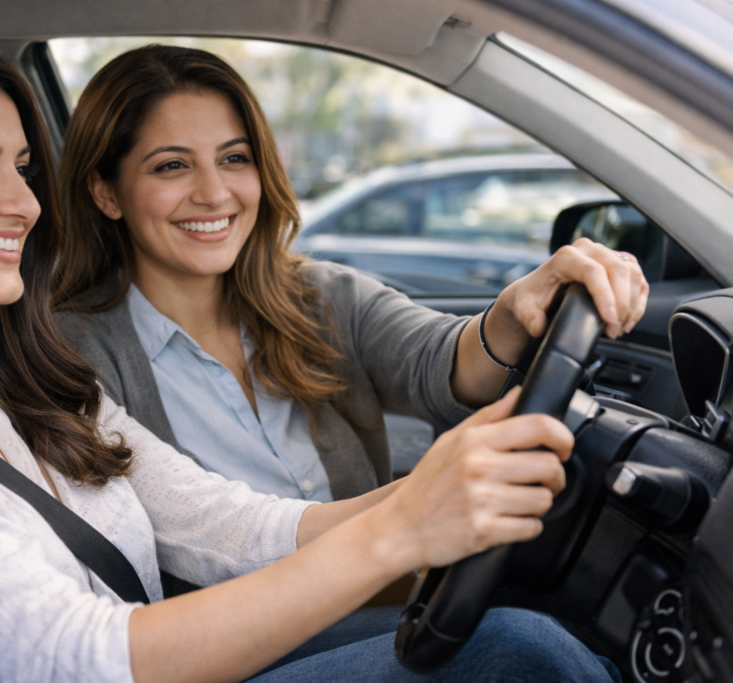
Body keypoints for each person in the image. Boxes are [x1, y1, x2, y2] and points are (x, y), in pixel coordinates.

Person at [0, 23, 622, 683]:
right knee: (520, 654)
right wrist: (399, 529)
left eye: (21, 167)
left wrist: (435, 494)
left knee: (520, 626)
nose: (24, 204)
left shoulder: (17, 382)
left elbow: (227, 524)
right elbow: (80, 658)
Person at [50, 44, 649, 503]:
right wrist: (407, 516)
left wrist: (519, 305)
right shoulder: (72, 353)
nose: (214, 193)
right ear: (107, 192)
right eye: (172, 166)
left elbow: (434, 360)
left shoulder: (322, 296)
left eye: (235, 158)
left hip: (378, 609)